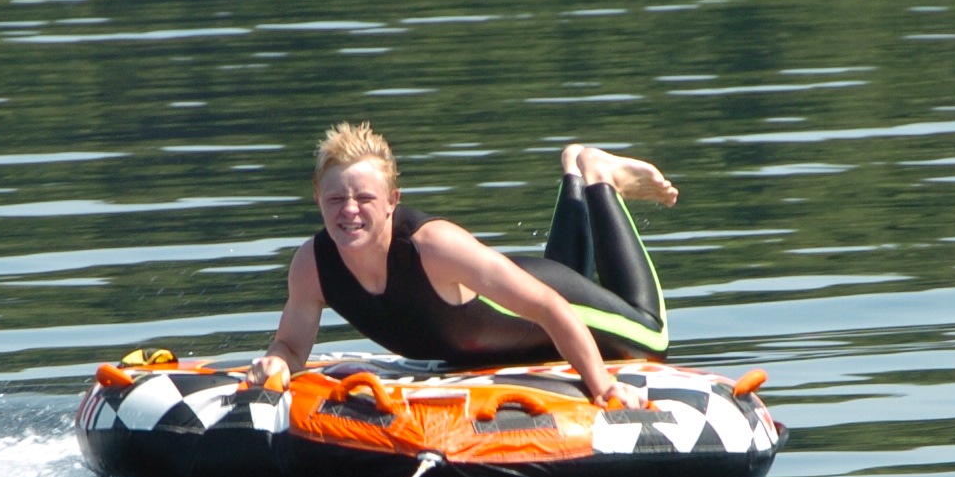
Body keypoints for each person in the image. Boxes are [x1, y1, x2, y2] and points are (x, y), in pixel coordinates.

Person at [252, 122, 675, 408]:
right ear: (317, 200)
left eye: (365, 198)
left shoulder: (434, 247)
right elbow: (291, 347)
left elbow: (549, 307)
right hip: (521, 325)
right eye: (335, 199)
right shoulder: (312, 265)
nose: (349, 210)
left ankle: (600, 179)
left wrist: (603, 387)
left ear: (392, 201)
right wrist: (277, 360)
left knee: (651, 338)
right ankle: (574, 176)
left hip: (557, 302)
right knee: (561, 293)